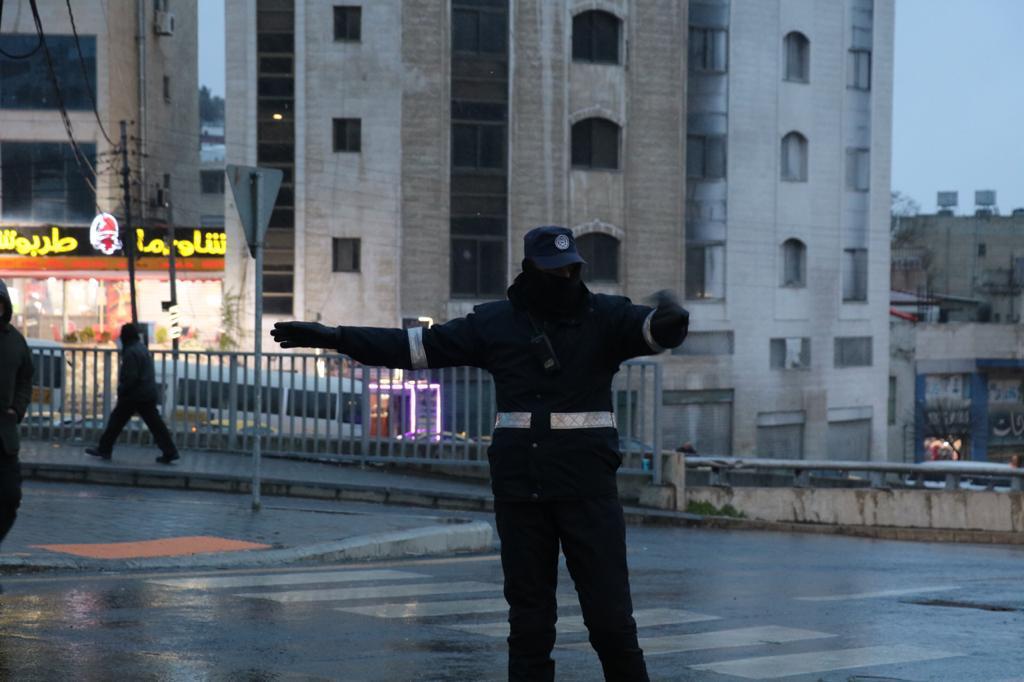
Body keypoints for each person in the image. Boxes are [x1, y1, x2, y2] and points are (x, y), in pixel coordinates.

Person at [272, 226, 689, 681]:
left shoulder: (604, 316)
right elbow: (415, 349)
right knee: (529, 628)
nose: (565, 277)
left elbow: (651, 331)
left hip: (588, 491)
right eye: (555, 270)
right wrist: (337, 337)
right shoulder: (495, 323)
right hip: (521, 492)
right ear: (530, 269)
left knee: (611, 624)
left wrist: (671, 320)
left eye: (571, 268)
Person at [86, 323, 179, 464]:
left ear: (125, 336)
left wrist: (122, 389)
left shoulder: (131, 352)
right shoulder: (141, 348)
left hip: (134, 394)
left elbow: (131, 377)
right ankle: (170, 451)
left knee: (116, 421)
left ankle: (104, 449)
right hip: (147, 393)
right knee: (156, 425)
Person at [0, 279, 34, 556]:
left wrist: (17, 408)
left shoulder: (15, 340)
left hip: (4, 436)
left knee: (10, 497)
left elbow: (26, 377)